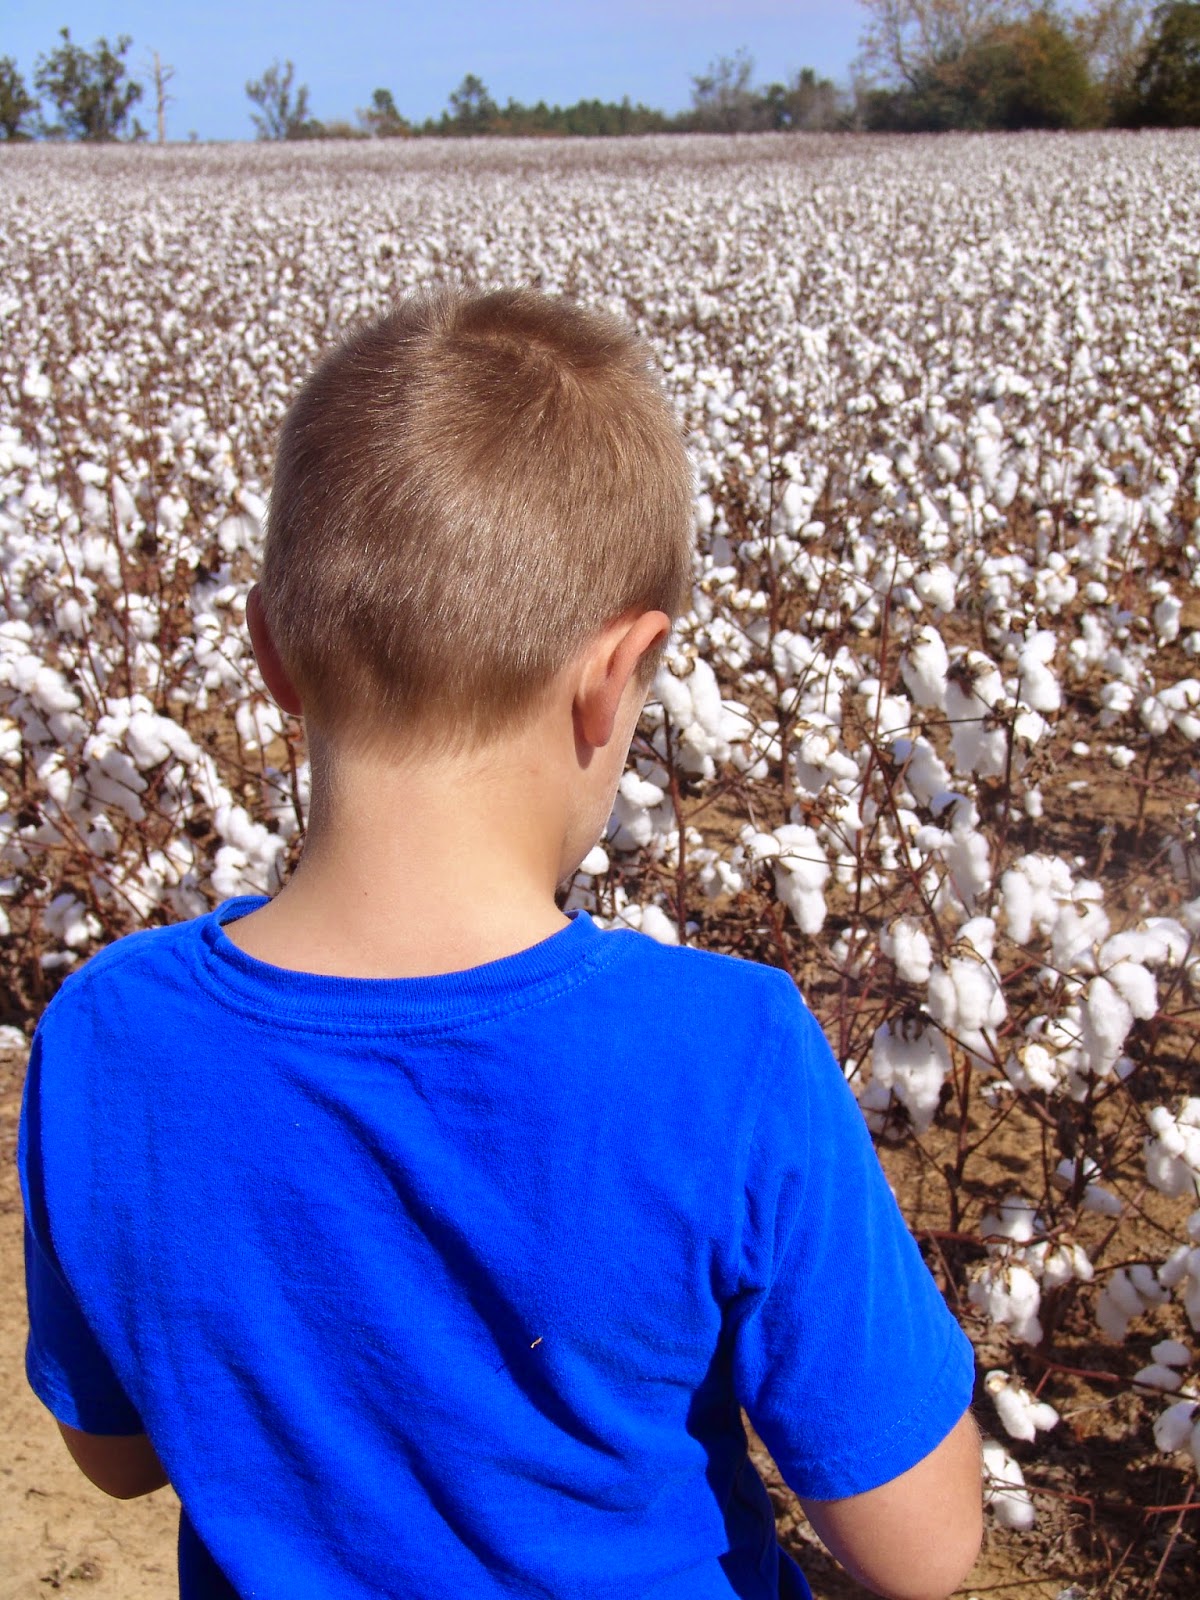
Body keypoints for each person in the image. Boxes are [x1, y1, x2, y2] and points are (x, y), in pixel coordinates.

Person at [18, 286, 982, 1600]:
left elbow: (118, 1455)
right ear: (617, 674)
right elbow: (920, 1554)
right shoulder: (728, 1054)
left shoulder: (105, 1034)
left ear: (271, 655)